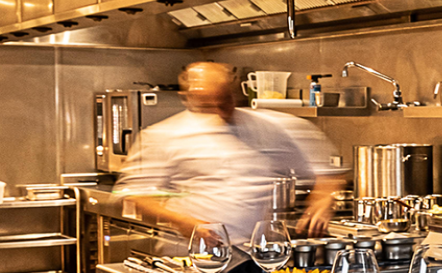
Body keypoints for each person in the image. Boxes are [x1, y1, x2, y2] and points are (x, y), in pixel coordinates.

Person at [115, 62, 344, 254]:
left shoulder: (276, 127)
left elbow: (329, 171)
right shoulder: (162, 135)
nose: (219, 110)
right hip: (190, 256)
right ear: (185, 98)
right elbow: (137, 194)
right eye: (206, 104)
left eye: (223, 100)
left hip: (256, 253)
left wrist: (323, 202)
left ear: (235, 93)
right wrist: (183, 222)